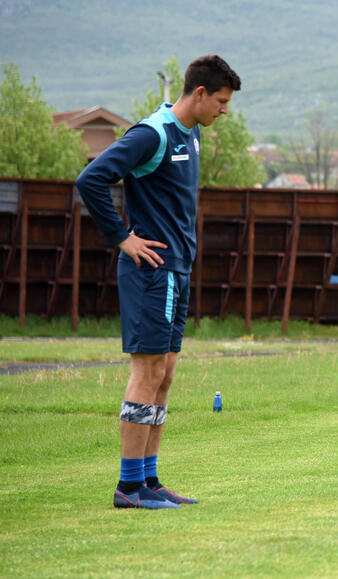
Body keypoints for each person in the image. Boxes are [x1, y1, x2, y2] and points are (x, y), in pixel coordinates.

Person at [76, 55, 241, 509]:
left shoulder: (192, 133)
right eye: (221, 101)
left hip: (177, 271)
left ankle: (149, 480)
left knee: (164, 375)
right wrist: (122, 237)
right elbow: (91, 179)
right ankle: (128, 488)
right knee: (147, 372)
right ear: (200, 93)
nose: (225, 110)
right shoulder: (153, 133)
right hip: (151, 273)